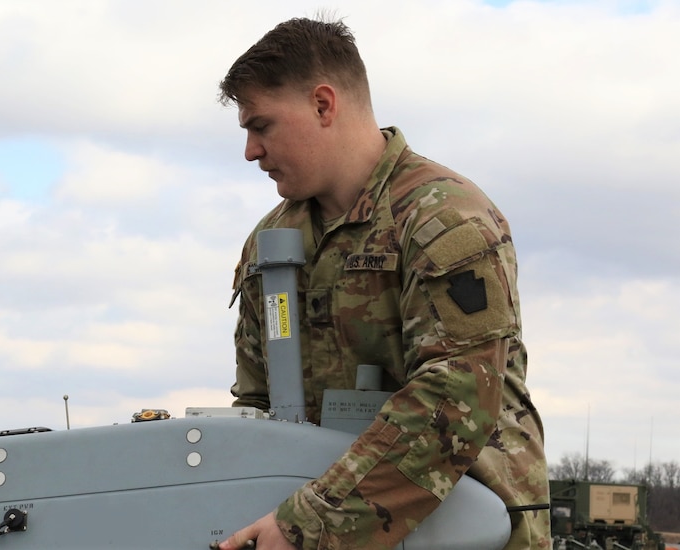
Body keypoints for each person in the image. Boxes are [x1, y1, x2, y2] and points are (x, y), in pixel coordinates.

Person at [217, 17, 551, 550]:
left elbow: (456, 398)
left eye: (262, 125)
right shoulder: (271, 244)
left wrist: (308, 526)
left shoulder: (443, 218)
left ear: (324, 105)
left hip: (462, 530)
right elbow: (257, 407)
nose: (251, 151)